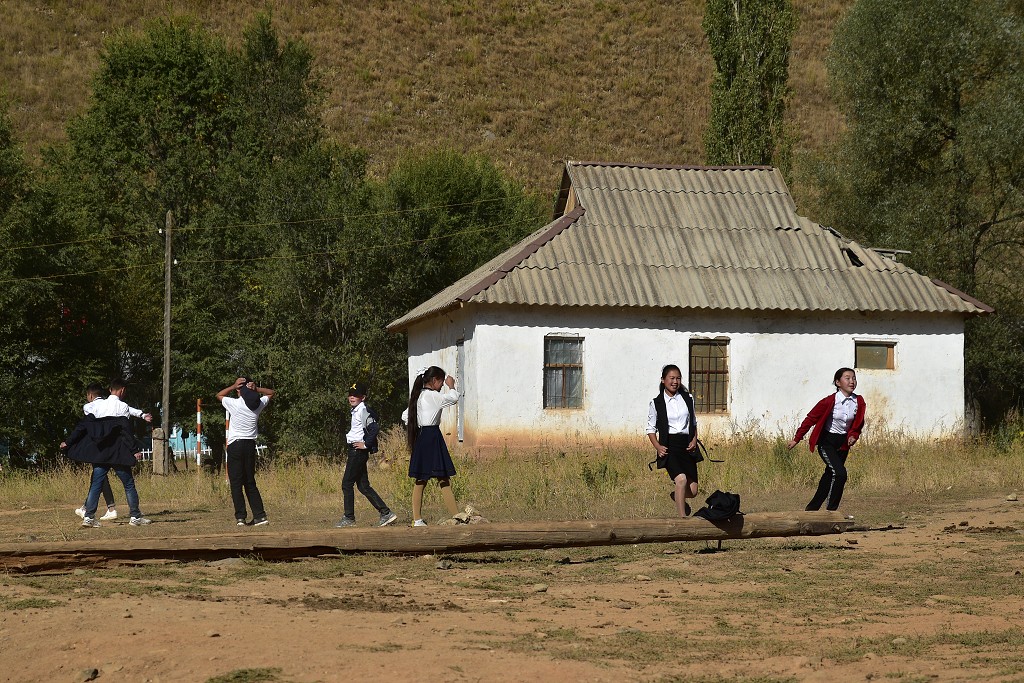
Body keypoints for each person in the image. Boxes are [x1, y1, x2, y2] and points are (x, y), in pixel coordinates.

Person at [61, 379, 153, 528]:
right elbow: (125, 431)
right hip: (118, 452)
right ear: (122, 390)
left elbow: (83, 426)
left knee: (96, 484)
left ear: (110, 389)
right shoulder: (122, 406)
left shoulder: (97, 406)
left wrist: (69, 441)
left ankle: (89, 518)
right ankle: (135, 516)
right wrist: (134, 450)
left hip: (101, 452)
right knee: (128, 484)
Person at [787, 367, 866, 511]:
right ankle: (831, 511)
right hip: (827, 442)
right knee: (840, 473)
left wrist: (853, 435)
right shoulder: (829, 401)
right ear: (838, 382)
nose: (852, 381)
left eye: (854, 378)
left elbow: (859, 423)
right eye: (847, 378)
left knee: (829, 475)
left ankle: (812, 509)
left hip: (843, 444)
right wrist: (797, 439)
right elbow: (810, 419)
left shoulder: (858, 401)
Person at [335, 382, 398, 528]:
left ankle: (349, 518)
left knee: (346, 484)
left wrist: (366, 444)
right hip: (356, 451)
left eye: (356, 395)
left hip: (357, 452)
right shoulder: (356, 410)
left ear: (363, 397)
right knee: (363, 486)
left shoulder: (363, 410)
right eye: (350, 394)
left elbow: (374, 427)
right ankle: (386, 513)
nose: (352, 397)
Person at [406, 366, 460, 527]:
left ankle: (419, 519)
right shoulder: (431, 396)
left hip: (424, 436)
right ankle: (455, 516)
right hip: (431, 436)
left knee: (429, 478)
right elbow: (452, 398)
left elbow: (405, 415)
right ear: (434, 380)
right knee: (435, 477)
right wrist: (452, 386)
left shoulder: (419, 396)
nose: (443, 384)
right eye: (442, 381)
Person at [217, 377, 274, 526]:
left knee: (236, 482)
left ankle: (240, 517)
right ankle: (260, 516)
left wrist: (232, 385)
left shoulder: (235, 403)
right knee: (250, 481)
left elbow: (219, 395)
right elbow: (271, 393)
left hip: (236, 445)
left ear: (239, 391)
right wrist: (257, 389)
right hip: (250, 445)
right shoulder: (258, 404)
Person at [646, 364, 700, 517]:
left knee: (694, 491)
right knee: (681, 479)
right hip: (669, 446)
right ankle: (683, 520)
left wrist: (694, 440)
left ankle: (676, 494)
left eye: (678, 378)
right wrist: (658, 446)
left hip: (687, 446)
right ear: (663, 380)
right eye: (671, 378)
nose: (675, 381)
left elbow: (693, 423)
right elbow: (650, 429)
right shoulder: (656, 403)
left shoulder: (688, 399)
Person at [72, 382, 118, 521]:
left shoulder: (88, 407)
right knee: (100, 476)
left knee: (98, 476)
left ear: (90, 395)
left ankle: (90, 510)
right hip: (111, 443)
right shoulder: (109, 404)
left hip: (96, 445)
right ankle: (107, 508)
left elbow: (87, 423)